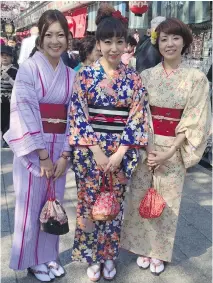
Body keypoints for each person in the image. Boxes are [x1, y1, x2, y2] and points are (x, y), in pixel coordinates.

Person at [121, 18, 211, 276]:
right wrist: (148, 149)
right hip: (146, 147)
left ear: (185, 41)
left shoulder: (196, 79)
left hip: (174, 148)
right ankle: (141, 246)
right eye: (164, 39)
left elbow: (195, 118)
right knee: (140, 195)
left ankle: (158, 252)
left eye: (175, 38)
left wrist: (170, 151)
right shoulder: (146, 76)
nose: (169, 43)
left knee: (166, 201)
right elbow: (138, 114)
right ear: (156, 43)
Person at [69, 4, 148, 281]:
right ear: (98, 44)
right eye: (107, 42)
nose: (114, 48)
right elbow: (78, 114)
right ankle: (92, 256)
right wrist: (97, 152)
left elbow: (137, 118)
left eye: (119, 42)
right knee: (89, 204)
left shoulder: (134, 79)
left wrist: (120, 153)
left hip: (121, 153)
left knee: (114, 206)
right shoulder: (85, 76)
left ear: (127, 44)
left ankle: (109, 255)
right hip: (90, 152)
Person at [3, 10, 76, 282]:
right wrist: (43, 155)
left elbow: (75, 115)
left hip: (60, 150)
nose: (55, 41)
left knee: (52, 204)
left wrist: (65, 154)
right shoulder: (29, 69)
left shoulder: (70, 75)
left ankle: (48, 256)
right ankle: (32, 260)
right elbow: (23, 110)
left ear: (68, 38)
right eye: (49, 35)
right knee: (31, 205)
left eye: (60, 35)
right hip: (36, 149)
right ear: (40, 38)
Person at [1, 45, 18, 147]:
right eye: (2, 55)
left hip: (9, 99)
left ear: (11, 58)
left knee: (8, 120)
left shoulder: (15, 70)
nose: (4, 57)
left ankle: (7, 140)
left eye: (7, 55)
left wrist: (9, 79)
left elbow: (18, 85)